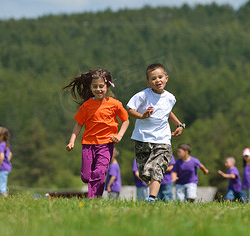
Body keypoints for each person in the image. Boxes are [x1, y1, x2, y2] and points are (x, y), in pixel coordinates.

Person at [64, 68, 129, 199]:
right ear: (91, 87)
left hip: (106, 144)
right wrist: (72, 141)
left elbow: (125, 120)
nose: (98, 89)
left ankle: (94, 199)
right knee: (86, 176)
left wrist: (119, 135)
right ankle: (94, 192)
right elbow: (78, 124)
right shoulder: (87, 105)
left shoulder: (114, 104)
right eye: (95, 86)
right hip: (88, 144)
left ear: (107, 86)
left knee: (99, 172)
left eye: (101, 86)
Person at [127, 63, 184, 203]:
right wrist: (142, 116)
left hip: (163, 139)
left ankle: (151, 199)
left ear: (166, 78)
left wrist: (179, 124)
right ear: (148, 82)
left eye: (160, 77)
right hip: (142, 138)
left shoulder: (170, 97)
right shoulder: (142, 96)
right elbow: (130, 109)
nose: (157, 80)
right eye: (153, 78)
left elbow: (167, 112)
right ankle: (152, 190)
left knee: (157, 169)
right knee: (144, 172)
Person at [0, 126, 13, 197]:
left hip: (2, 169)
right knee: (2, 186)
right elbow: (10, 154)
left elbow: (1, 156)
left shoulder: (0, 145)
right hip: (6, 168)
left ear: (1, 136)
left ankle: (5, 200)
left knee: (0, 188)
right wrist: (7, 161)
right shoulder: (5, 145)